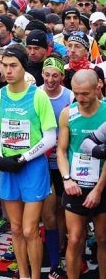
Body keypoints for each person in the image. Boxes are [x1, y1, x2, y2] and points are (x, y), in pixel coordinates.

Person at [0, 45, 57, 279]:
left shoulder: (38, 96)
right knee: (15, 229)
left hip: (32, 168)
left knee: (29, 230)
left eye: (13, 65)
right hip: (8, 167)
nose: (7, 70)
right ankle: (24, 275)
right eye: (4, 65)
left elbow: (50, 137)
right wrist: (0, 158)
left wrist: (24, 157)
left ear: (23, 66)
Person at [59, 69, 106, 279]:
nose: (80, 98)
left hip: (102, 184)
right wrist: (67, 179)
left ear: (98, 88)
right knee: (75, 239)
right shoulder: (68, 113)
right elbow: (61, 150)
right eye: (76, 93)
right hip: (75, 184)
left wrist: (98, 189)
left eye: (85, 93)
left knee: (103, 239)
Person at [40, 55, 73, 278]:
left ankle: (59, 251)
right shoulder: (36, 94)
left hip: (62, 161)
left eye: (55, 75)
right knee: (47, 212)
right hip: (41, 161)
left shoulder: (69, 95)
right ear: (42, 74)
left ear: (62, 76)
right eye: (47, 75)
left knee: (62, 210)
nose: (51, 80)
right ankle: (53, 254)